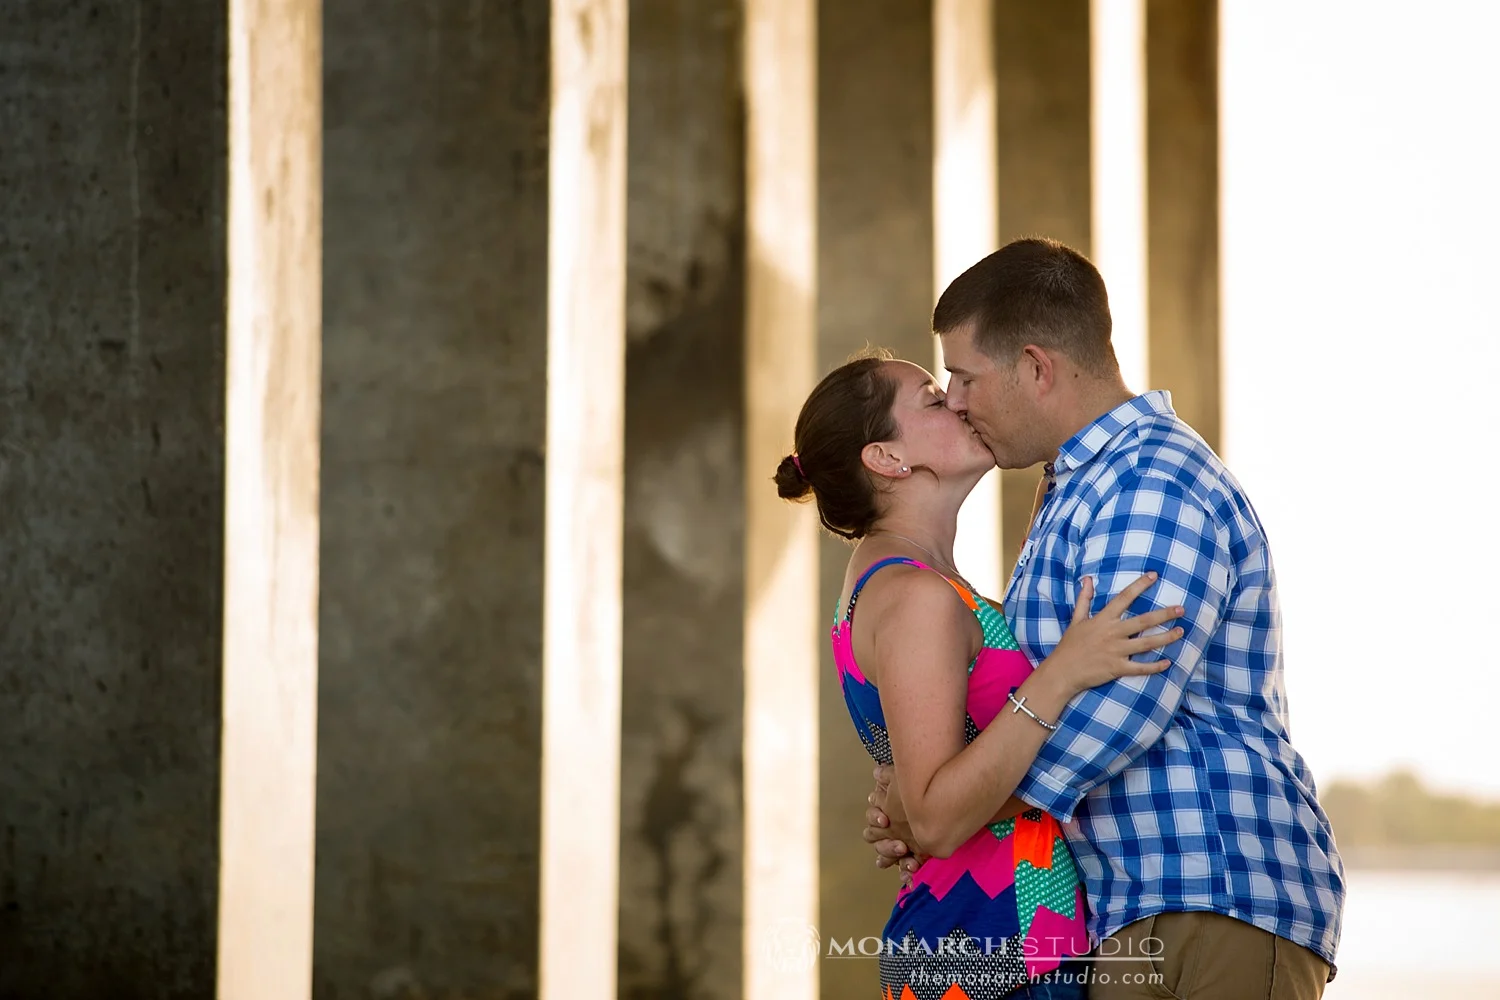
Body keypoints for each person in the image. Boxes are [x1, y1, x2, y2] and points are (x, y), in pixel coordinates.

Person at [863, 238, 1345, 1000]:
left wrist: (946, 809)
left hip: (1214, 887)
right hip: (1133, 905)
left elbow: (1118, 708)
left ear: (1036, 367)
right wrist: (928, 794)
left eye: (964, 376)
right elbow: (1036, 696)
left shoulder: (1150, 481)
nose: (953, 399)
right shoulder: (1079, 488)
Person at [777, 349, 1185, 999]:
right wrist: (1061, 673)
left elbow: (921, 787)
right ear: (887, 458)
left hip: (998, 949)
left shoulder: (912, 584)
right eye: (935, 400)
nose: (960, 403)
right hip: (991, 954)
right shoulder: (916, 597)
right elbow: (936, 817)